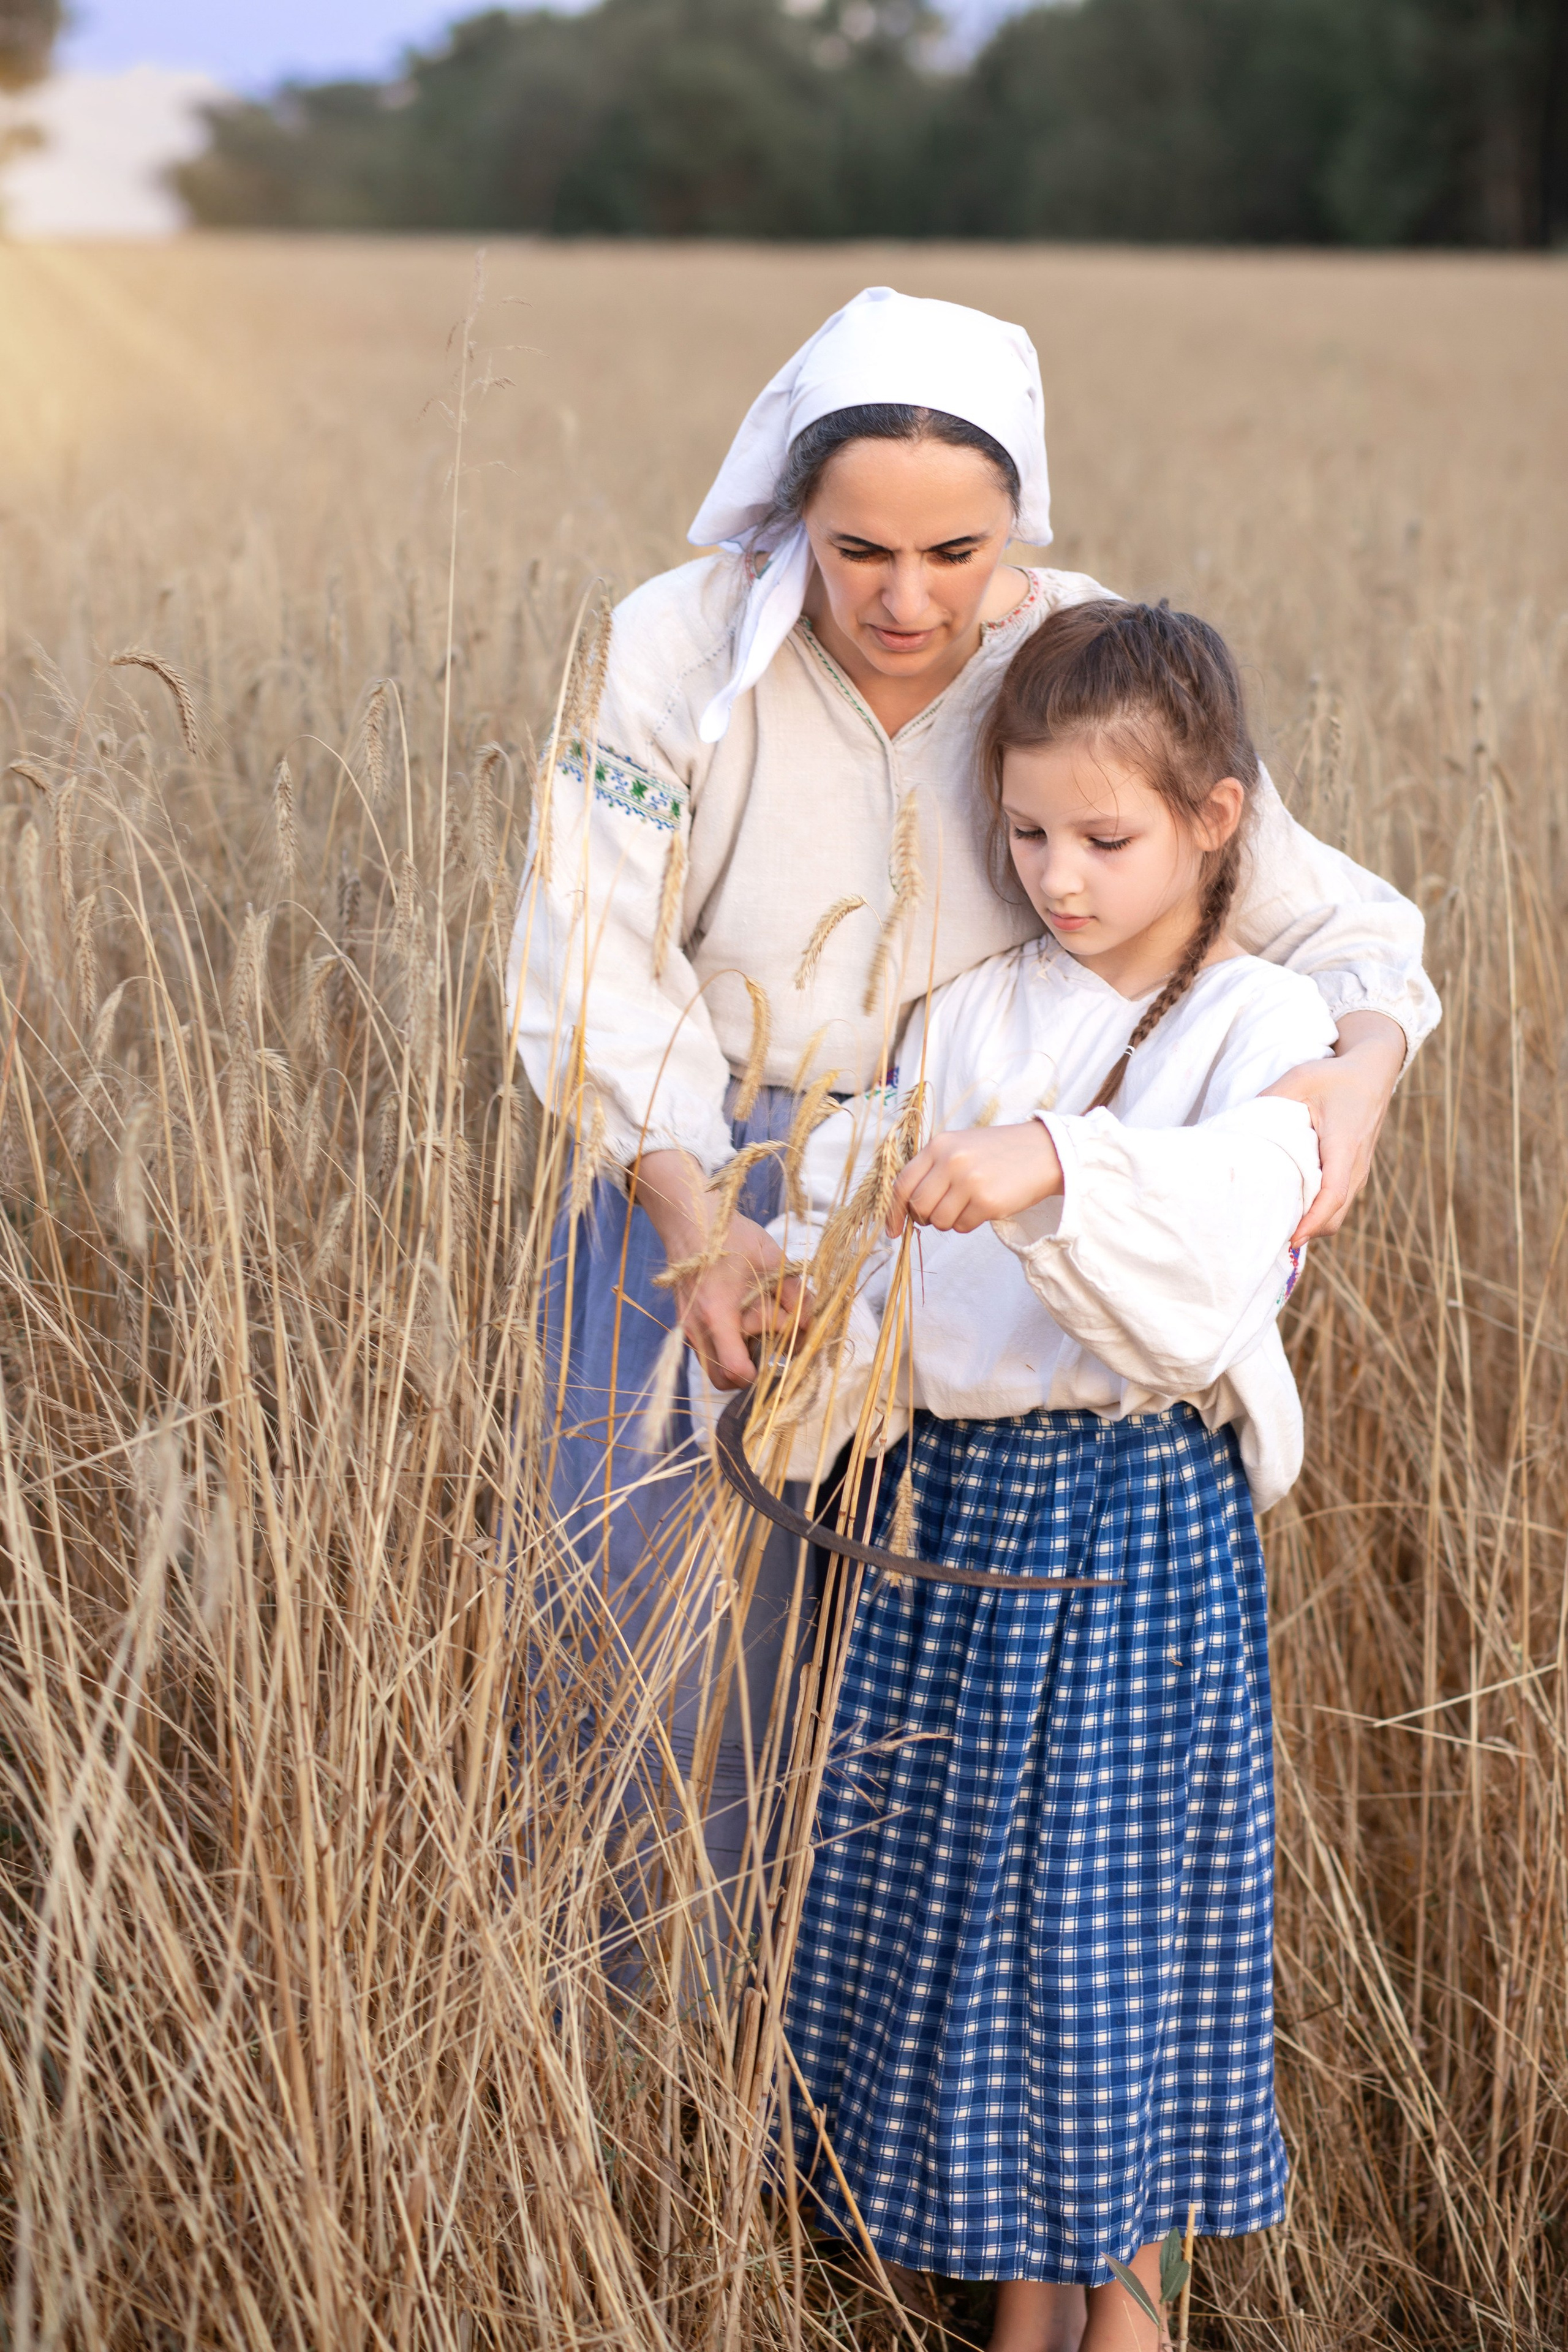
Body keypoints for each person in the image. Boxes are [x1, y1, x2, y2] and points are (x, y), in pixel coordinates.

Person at [507, 285, 1439, 1903]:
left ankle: (831, 2114)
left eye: (957, 552)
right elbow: (587, 960)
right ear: (794, 504)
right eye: (857, 547)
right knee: (648, 1664)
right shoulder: (665, 642)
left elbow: (1324, 918)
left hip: (981, 1221)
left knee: (904, 1719)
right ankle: (645, 2102)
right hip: (694, 1190)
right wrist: (700, 1217)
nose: (906, 597)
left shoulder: (1075, 649)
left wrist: (1356, 1081)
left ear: (1019, 515)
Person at [766, 598, 1366, 2352]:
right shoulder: (971, 1009)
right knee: (977, 1921)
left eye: (1106, 838)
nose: (1060, 875)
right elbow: (863, 1202)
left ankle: (1131, 2314)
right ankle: (1028, 2305)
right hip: (950, 1523)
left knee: (1113, 1935)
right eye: (1025, 833)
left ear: (1216, 816)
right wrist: (809, 1270)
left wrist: (1049, 1166)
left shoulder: (1267, 1030)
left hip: (1127, 1524)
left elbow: (1236, 1236)